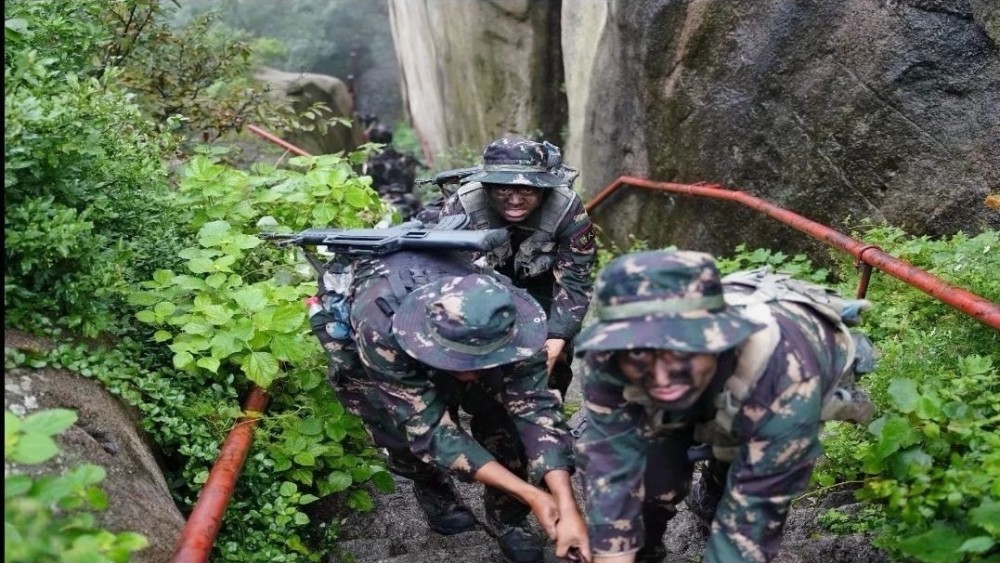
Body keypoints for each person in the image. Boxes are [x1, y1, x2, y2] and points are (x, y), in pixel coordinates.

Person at [573, 249, 877, 563]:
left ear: (717, 337)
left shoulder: (788, 379)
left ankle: (715, 487)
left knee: (739, 457)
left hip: (770, 388)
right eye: (638, 354)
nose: (662, 378)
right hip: (716, 387)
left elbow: (750, 526)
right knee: (650, 486)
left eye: (680, 351)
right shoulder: (609, 355)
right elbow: (611, 463)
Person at [309, 245, 590, 563]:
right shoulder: (379, 325)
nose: (470, 375)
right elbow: (429, 429)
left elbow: (536, 409)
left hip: (456, 313)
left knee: (507, 423)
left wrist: (565, 504)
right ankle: (430, 483)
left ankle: (506, 518)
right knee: (395, 429)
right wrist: (533, 494)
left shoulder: (511, 321)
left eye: (482, 362)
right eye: (459, 362)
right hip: (364, 328)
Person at [439, 137, 596, 397]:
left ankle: (545, 407)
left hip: (542, 283)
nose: (514, 200)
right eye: (502, 189)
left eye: (527, 190)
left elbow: (575, 280)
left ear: (544, 189)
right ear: (486, 186)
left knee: (552, 354)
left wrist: (557, 338)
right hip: (480, 286)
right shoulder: (463, 206)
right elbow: (447, 277)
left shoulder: (567, 208)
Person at [363, 124, 425, 219]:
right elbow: (409, 186)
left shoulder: (369, 164)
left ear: (372, 141)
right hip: (405, 200)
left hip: (382, 204)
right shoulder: (406, 159)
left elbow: (369, 189)